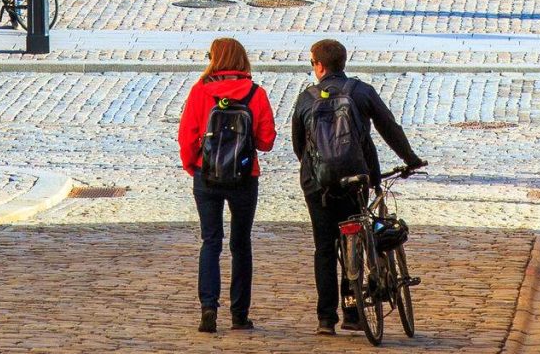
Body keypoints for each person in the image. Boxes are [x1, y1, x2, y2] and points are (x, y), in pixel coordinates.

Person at [288, 37, 425, 335]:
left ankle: (326, 319)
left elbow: (299, 145)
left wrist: (318, 170)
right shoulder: (360, 91)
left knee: (324, 247)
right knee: (357, 238)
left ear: (319, 66)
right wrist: (410, 159)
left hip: (318, 185)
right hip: (357, 180)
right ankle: (353, 310)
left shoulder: (306, 98)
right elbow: (389, 127)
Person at [176, 36, 276, 334]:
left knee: (211, 241)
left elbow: (186, 135)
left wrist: (193, 165)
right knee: (240, 244)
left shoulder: (200, 91)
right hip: (244, 178)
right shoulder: (255, 93)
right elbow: (267, 141)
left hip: (206, 175)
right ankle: (239, 314)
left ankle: (208, 308)